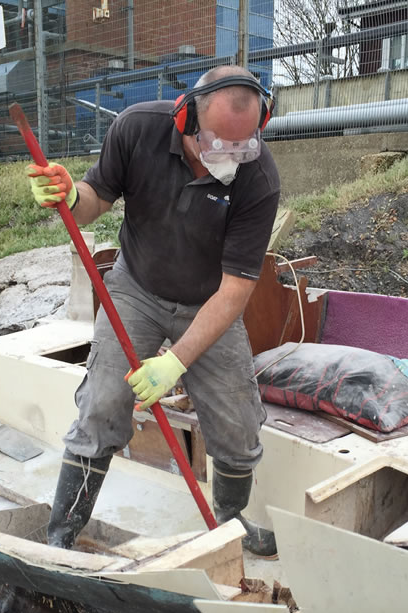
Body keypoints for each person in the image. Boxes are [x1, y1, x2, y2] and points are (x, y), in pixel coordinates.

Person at [26, 65, 281, 556]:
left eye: (242, 146)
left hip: (209, 303)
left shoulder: (258, 175)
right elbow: (95, 199)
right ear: (186, 119)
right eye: (217, 144)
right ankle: (62, 533)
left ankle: (228, 523)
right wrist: (69, 194)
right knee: (101, 407)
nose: (229, 158)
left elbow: (235, 289)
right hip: (136, 289)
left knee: (238, 426)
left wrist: (176, 361)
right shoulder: (136, 128)